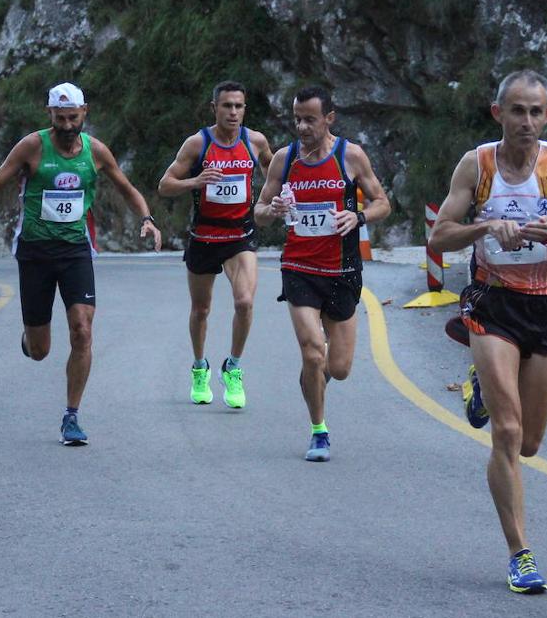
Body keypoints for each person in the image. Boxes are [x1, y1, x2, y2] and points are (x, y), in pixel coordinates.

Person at [428, 70, 547, 594]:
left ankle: (479, 385)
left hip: (545, 307)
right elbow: (440, 236)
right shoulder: (476, 166)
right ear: (498, 113)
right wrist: (483, 226)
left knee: (531, 445)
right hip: (491, 303)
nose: (526, 121)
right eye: (516, 111)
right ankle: (520, 555)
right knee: (507, 432)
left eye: (535, 111)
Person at [0, 82, 162, 446]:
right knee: (41, 351)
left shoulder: (96, 152)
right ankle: (30, 340)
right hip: (36, 252)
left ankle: (71, 416)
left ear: (84, 113)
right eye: (61, 118)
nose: (68, 125)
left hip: (75, 251)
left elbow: (127, 188)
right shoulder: (32, 146)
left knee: (82, 331)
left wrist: (147, 219)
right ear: (50, 115)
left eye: (74, 117)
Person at [253, 85, 389, 462]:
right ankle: (319, 431)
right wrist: (275, 209)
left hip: (343, 269)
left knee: (340, 368)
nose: (302, 126)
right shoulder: (285, 159)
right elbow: (258, 211)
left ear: (329, 118)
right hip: (299, 267)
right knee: (313, 353)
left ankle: (316, 379)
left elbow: (382, 202)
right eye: (297, 118)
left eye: (310, 119)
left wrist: (358, 216)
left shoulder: (351, 156)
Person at [157, 81, 274, 408]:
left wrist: (275, 200)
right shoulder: (198, 144)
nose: (233, 112)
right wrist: (196, 180)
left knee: (245, 302)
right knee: (201, 309)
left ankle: (233, 368)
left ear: (244, 109)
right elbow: (165, 185)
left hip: (240, 236)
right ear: (214, 108)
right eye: (227, 106)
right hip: (205, 237)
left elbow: (274, 174)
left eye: (238, 106)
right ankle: (199, 367)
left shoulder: (255, 141)